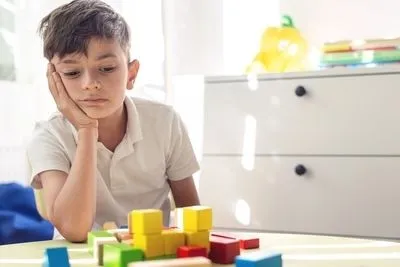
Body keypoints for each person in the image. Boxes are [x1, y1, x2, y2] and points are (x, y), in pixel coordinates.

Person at [26, 0, 200, 243]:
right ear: (54, 79)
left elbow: (191, 215)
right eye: (72, 73)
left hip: (150, 255)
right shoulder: (48, 137)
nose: (90, 83)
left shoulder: (164, 122)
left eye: (106, 68)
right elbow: (74, 230)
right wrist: (86, 129)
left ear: (131, 74)